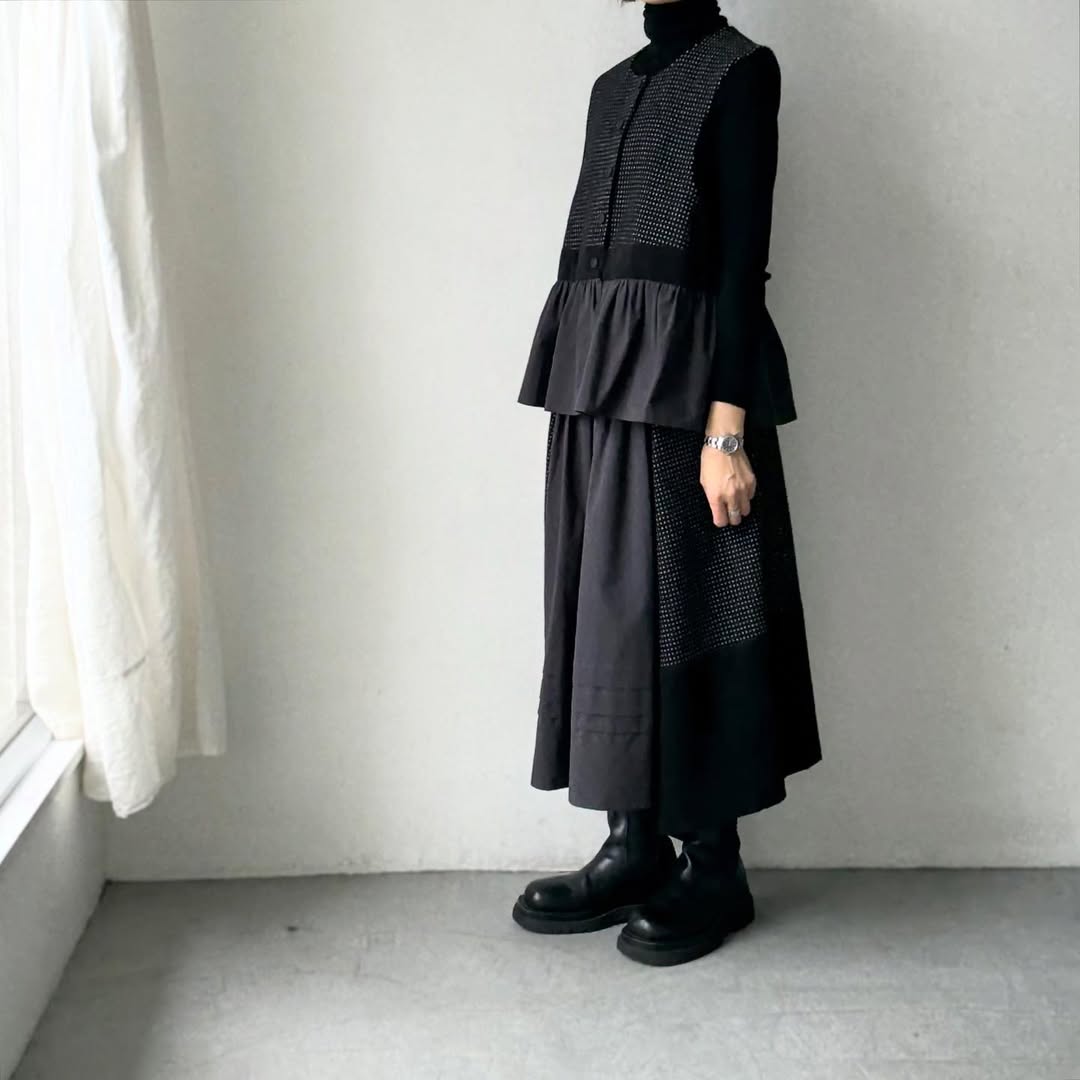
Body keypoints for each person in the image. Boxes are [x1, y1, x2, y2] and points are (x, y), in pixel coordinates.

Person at [511, 0, 823, 967]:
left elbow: (740, 268)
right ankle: (633, 845)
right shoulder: (611, 90)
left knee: (692, 609)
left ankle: (715, 865)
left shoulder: (742, 71)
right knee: (607, 615)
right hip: (596, 386)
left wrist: (727, 429)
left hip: (687, 396)